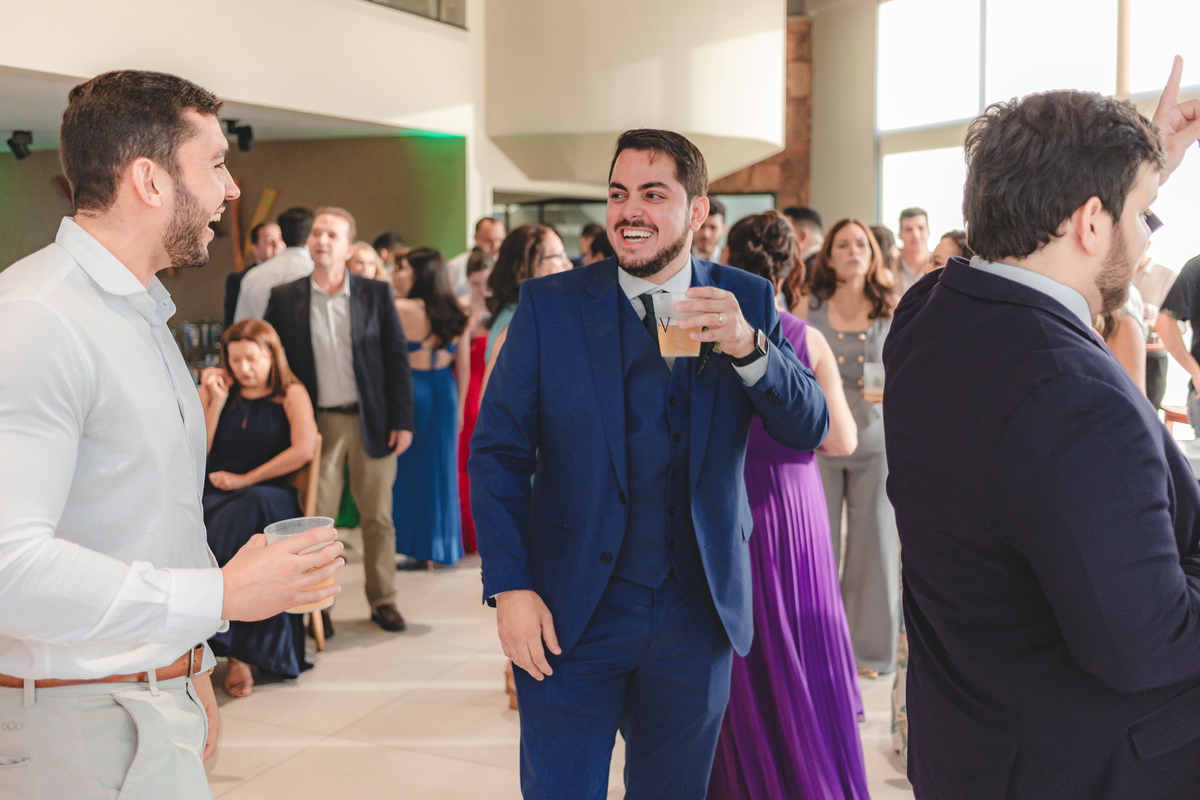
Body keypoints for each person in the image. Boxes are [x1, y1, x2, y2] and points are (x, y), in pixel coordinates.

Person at [0, 69, 342, 800]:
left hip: (150, 695)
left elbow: (153, 518)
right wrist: (216, 595)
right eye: (215, 163)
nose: (233, 188)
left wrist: (189, 664)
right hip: (76, 719)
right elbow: (8, 567)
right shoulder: (38, 319)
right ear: (149, 181)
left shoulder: (141, 314)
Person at [470, 128, 828, 799]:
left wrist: (752, 350)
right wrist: (511, 588)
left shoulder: (746, 298)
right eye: (617, 193)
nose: (628, 211)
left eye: (653, 194)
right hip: (568, 611)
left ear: (697, 211)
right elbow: (497, 455)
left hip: (695, 617)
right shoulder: (551, 307)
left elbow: (807, 425)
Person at [883, 57, 1200, 798]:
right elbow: (1144, 644)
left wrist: (1136, 168)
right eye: (1135, 213)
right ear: (1092, 220)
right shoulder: (1075, 395)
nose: (1145, 236)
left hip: (974, 747)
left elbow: (1060, 233)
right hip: (1085, 766)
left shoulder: (929, 315)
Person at [706, 211, 868, 800]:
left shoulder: (701, 336)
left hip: (727, 504)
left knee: (744, 655)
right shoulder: (805, 337)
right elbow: (841, 440)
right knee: (801, 643)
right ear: (792, 266)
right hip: (793, 509)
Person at [264, 207, 415, 633]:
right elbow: (278, 367)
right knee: (317, 524)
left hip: (372, 420)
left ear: (349, 248)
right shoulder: (285, 297)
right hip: (317, 426)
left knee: (378, 518)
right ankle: (319, 609)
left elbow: (396, 361)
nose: (321, 239)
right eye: (316, 232)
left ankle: (383, 599)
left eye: (332, 234)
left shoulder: (374, 294)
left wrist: (402, 420)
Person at [793, 218, 900, 678]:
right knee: (816, 545)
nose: (854, 250)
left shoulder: (891, 305)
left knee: (873, 544)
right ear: (829, 255)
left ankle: (870, 653)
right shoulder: (807, 305)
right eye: (843, 244)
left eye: (862, 243)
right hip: (819, 440)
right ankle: (817, 645)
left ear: (873, 254)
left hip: (876, 441)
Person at [200, 320, 318, 697]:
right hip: (217, 490)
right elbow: (194, 451)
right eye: (234, 360)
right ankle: (197, 638)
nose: (243, 368)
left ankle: (239, 653)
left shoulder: (291, 393)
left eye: (251, 358)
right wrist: (214, 402)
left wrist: (247, 479)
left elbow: (304, 449)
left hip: (268, 493)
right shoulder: (221, 391)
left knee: (249, 509)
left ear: (271, 355)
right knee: (189, 520)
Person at [392, 247, 471, 568]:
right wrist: (462, 408)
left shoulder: (400, 308)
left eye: (403, 268)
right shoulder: (458, 310)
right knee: (442, 472)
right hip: (446, 390)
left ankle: (416, 548)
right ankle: (442, 548)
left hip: (413, 389)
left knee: (410, 474)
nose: (397, 274)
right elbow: (463, 367)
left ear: (420, 274)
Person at [481, 223, 570, 386]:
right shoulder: (516, 325)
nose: (569, 265)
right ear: (527, 266)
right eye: (559, 257)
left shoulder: (532, 316)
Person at [459, 247, 495, 555]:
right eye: (475, 283)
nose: (481, 289)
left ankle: (482, 534)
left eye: (485, 282)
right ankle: (465, 536)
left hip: (489, 384)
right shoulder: (460, 310)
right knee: (463, 462)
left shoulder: (502, 312)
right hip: (466, 385)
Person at [234, 207, 315, 322]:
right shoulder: (317, 272)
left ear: (282, 235)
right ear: (310, 236)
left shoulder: (253, 276)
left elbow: (242, 325)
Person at [224, 220, 284, 327]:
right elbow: (232, 324)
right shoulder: (239, 280)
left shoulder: (292, 274)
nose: (278, 245)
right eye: (270, 241)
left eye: (280, 239)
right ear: (255, 249)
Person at [445, 217, 506, 298]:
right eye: (489, 240)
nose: (495, 246)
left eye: (500, 240)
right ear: (476, 238)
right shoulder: (456, 266)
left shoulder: (507, 266)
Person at [895, 207, 930, 293]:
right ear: (900, 235)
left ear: (928, 232)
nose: (916, 235)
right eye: (908, 230)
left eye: (921, 228)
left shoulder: (940, 266)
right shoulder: (890, 266)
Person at [783, 205, 825, 274]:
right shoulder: (828, 263)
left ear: (803, 237)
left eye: (785, 234)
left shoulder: (812, 271)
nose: (780, 241)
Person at [692, 196, 727, 261]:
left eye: (713, 228)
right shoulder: (679, 259)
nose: (706, 234)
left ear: (724, 230)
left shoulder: (730, 262)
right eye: (701, 226)